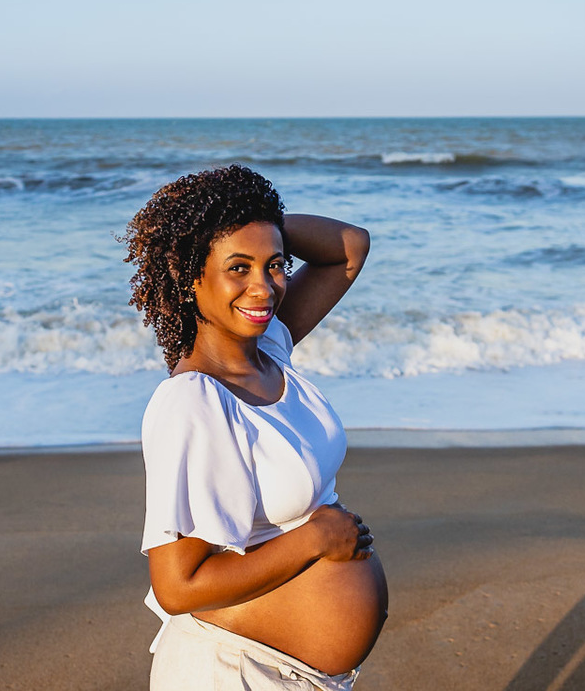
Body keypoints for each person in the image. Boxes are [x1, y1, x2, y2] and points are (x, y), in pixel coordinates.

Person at [123, 164, 388, 690]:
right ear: (189, 274)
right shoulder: (193, 402)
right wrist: (313, 540)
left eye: (274, 265)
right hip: (233, 671)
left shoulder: (269, 350)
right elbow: (177, 586)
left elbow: (349, 248)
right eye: (238, 268)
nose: (263, 288)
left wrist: (254, 220)